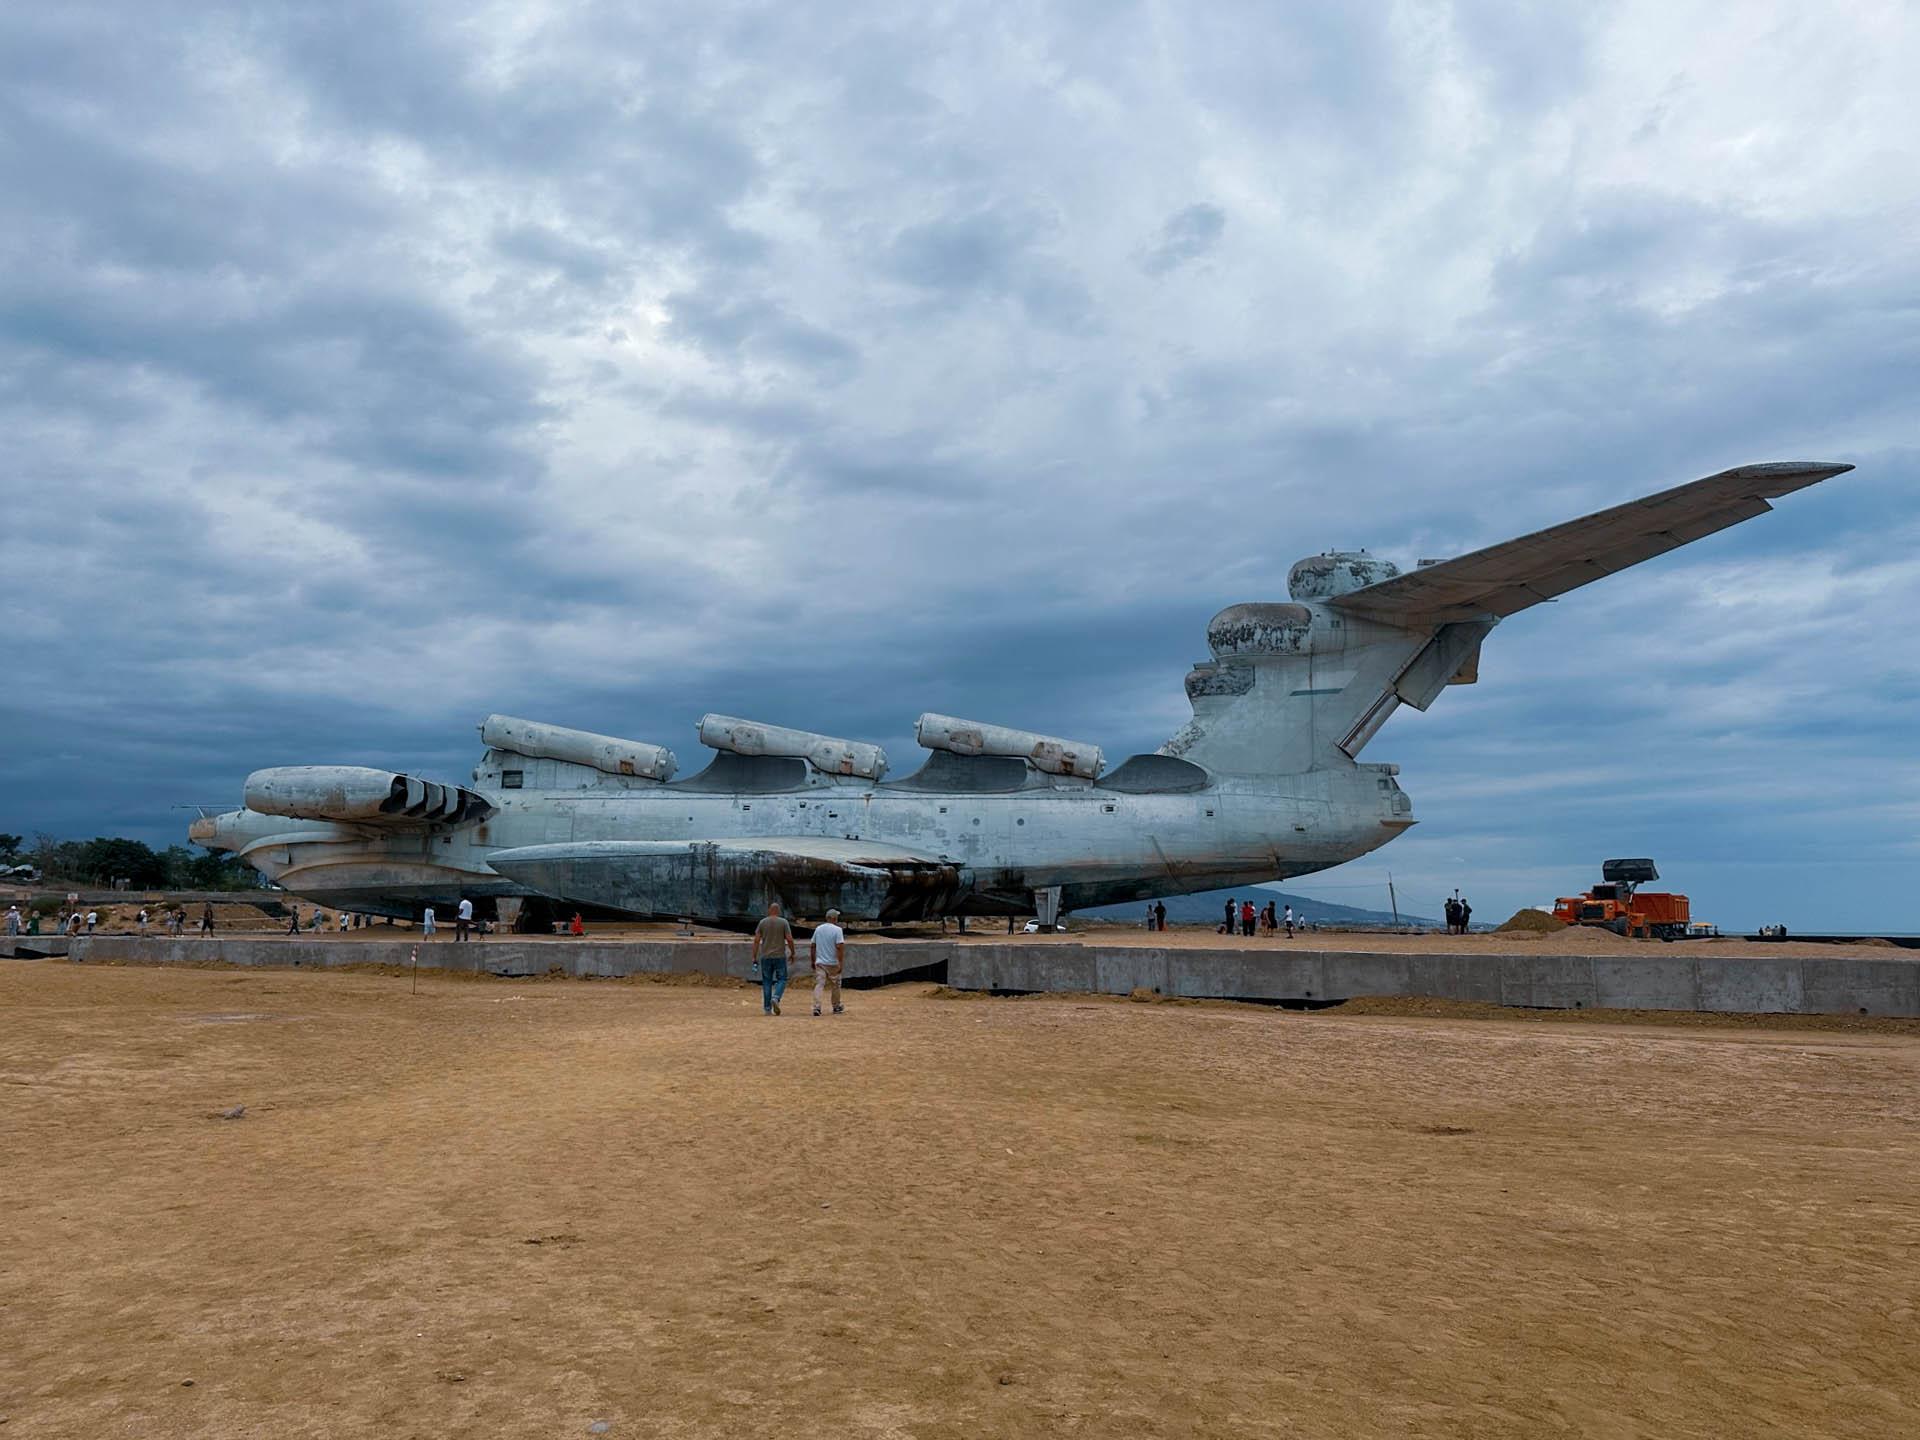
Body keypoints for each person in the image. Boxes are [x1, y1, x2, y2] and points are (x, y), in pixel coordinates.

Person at [753, 901, 795, 1016]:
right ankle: (776, 997)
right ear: (778, 911)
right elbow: (789, 939)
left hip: (765, 956)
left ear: (769, 910)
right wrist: (792, 952)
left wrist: (754, 956)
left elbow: (756, 940)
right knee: (782, 978)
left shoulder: (762, 922)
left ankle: (767, 1009)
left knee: (767, 981)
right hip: (779, 956)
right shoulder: (783, 922)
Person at [811, 907, 846, 1016]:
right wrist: (840, 963)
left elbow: (813, 945)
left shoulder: (818, 929)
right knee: (836, 984)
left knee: (819, 984)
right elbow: (839, 947)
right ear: (834, 918)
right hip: (833, 962)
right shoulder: (838, 930)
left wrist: (813, 960)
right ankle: (836, 1006)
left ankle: (817, 1007)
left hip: (820, 962)